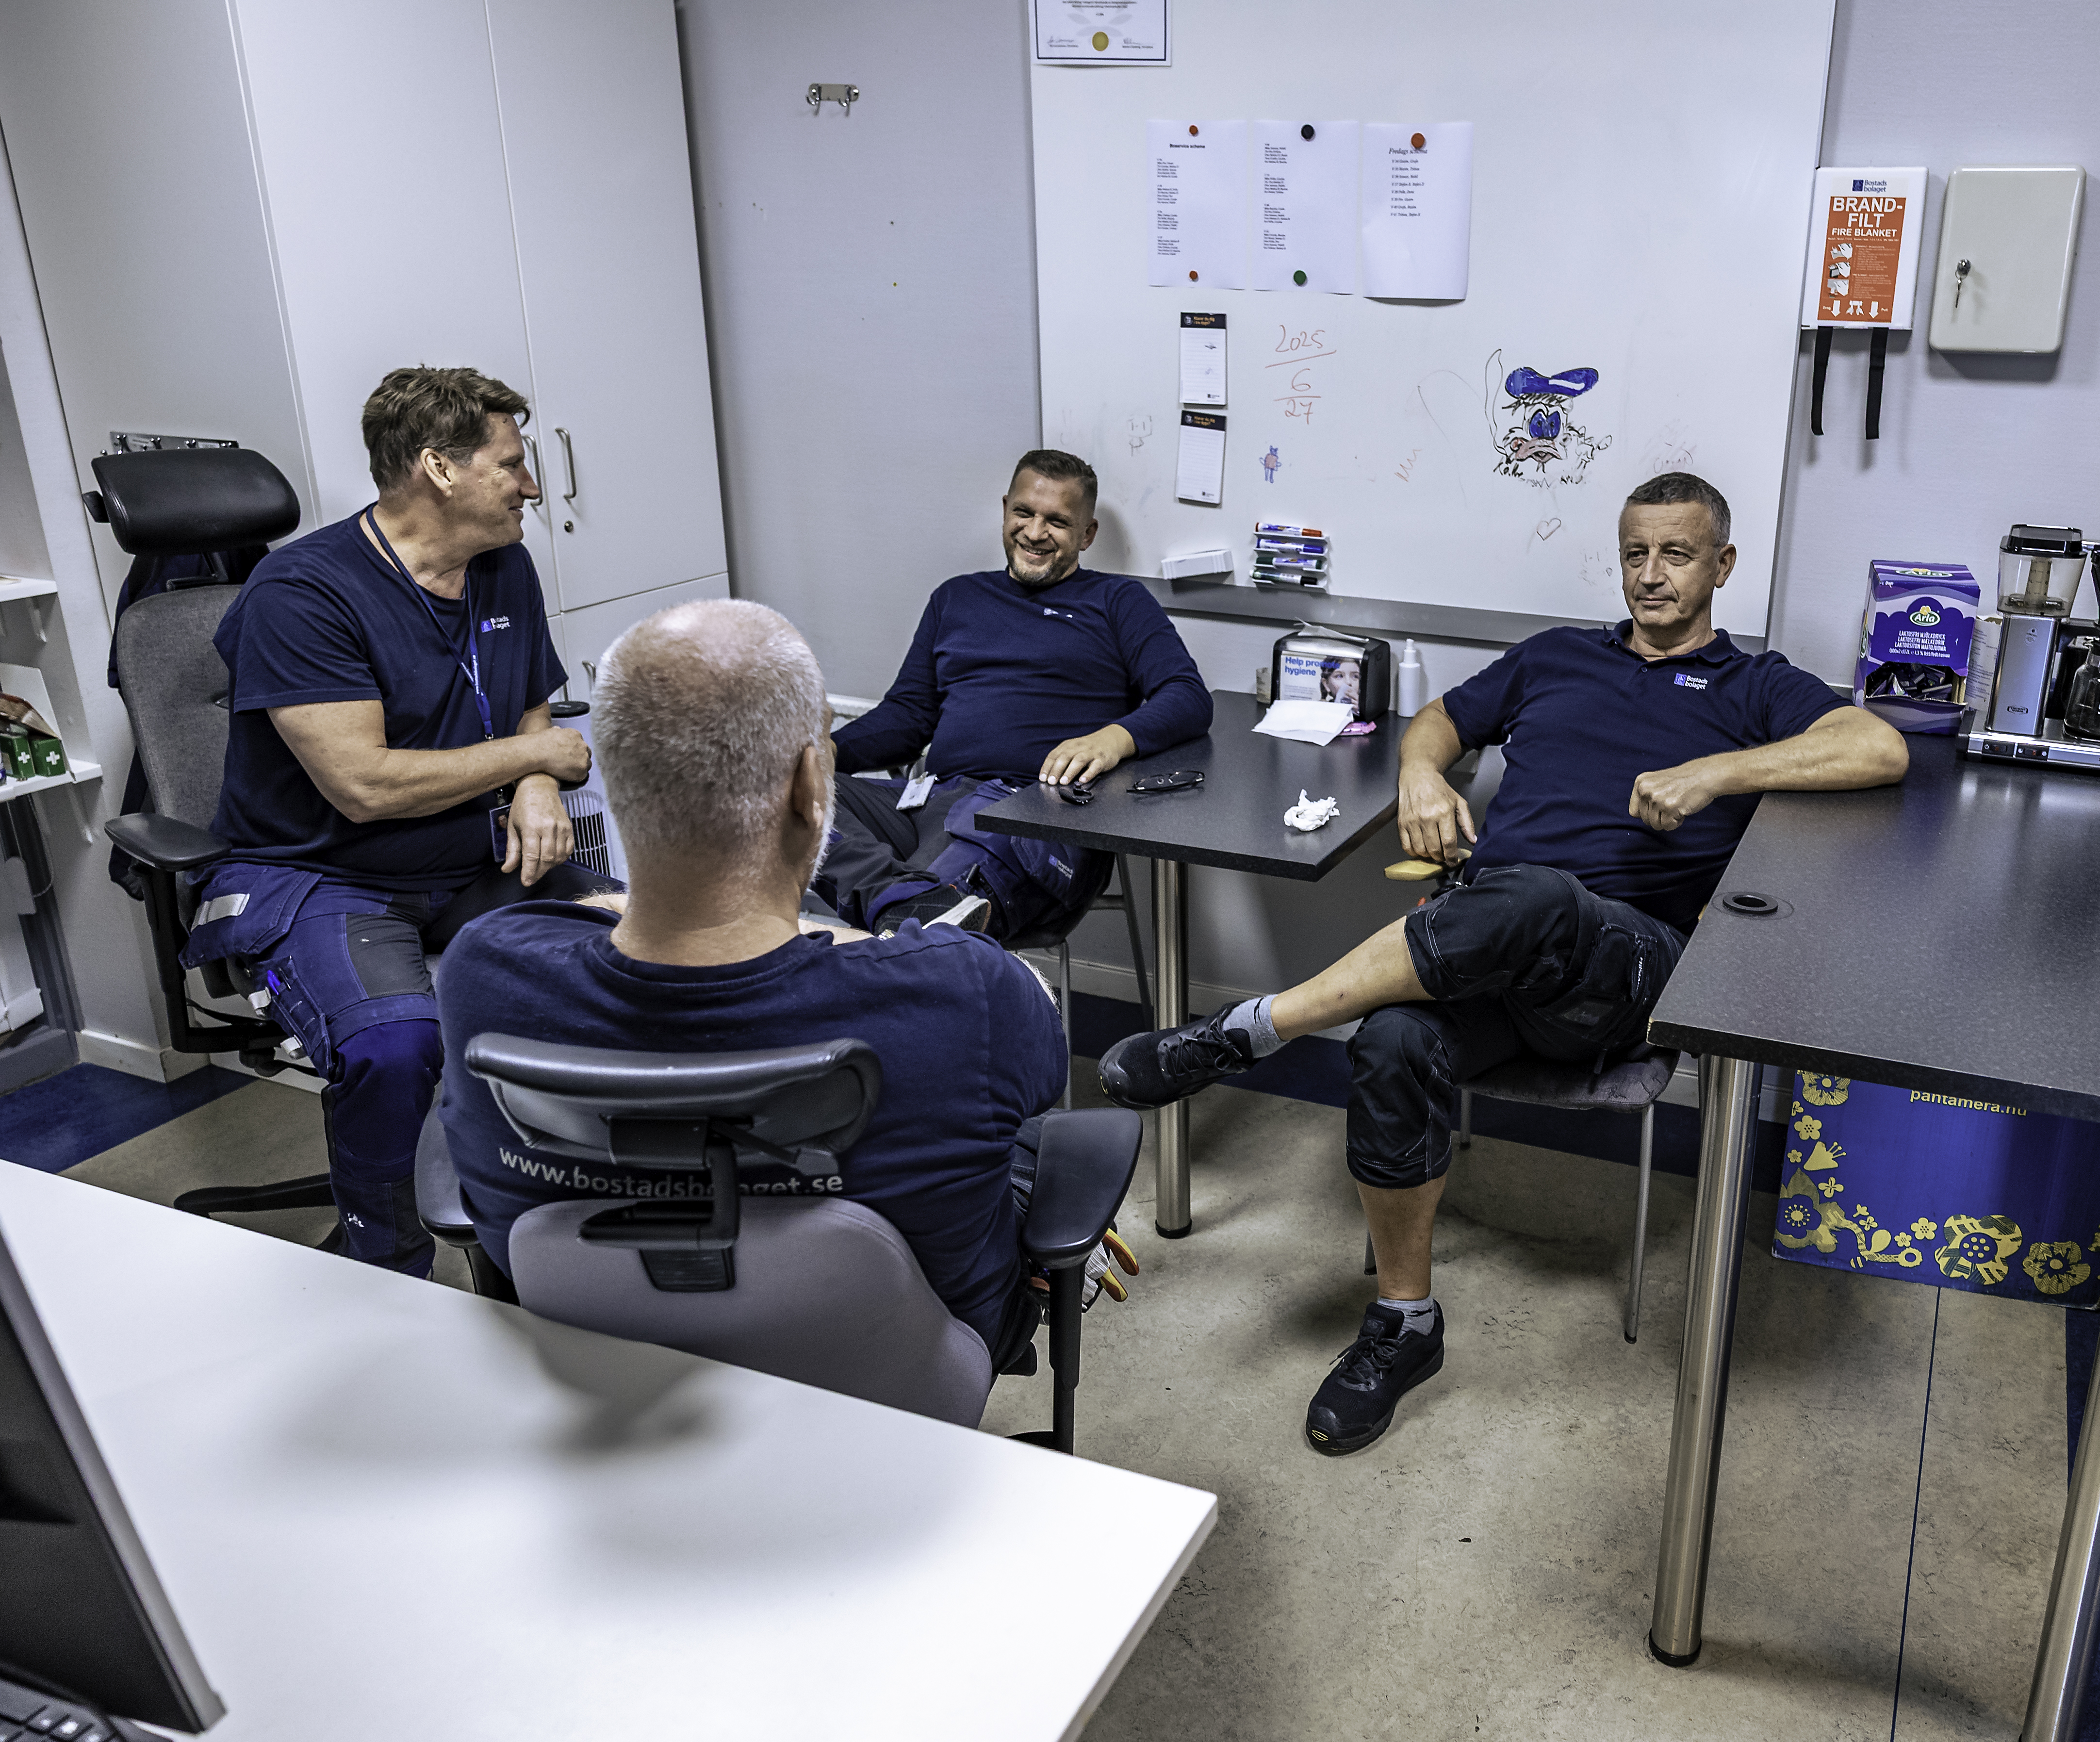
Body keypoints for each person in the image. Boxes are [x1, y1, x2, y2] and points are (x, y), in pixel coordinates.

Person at [1098, 473, 1907, 1455]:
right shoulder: (1557, 657)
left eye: (1678, 555)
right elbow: (1440, 720)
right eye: (1636, 554)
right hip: (1488, 947)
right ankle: (1405, 1325)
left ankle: (1252, 1029)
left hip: (1624, 970)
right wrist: (1418, 773)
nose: (1651, 576)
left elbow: (1877, 747)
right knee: (1395, 1039)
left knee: (1537, 897)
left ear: (1723, 566)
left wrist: (1716, 772)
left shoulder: (1756, 685)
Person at [435, 600, 1135, 1356]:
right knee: (1014, 1133)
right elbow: (1040, 1034)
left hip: (603, 1353)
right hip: (898, 1377)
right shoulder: (960, 991)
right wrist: (842, 935)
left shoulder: (485, 972)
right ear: (812, 788)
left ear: (615, 779)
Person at [183, 366, 607, 1276]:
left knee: (634, 951)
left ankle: (542, 1229)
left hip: (466, 856)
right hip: (325, 872)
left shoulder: (503, 564)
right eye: (512, 464)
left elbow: (533, 700)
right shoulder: (302, 592)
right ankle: (386, 1262)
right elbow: (363, 786)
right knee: (394, 1041)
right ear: (439, 470)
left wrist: (534, 779)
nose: (532, 485)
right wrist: (534, 761)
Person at [818, 449, 1212, 942]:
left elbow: (1188, 696)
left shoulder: (1118, 602)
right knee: (779, 790)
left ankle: (909, 916)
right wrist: (828, 751)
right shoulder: (956, 598)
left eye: (1058, 521)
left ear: (1087, 535)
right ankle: (900, 904)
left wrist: (1114, 739)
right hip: (930, 799)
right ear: (1006, 510)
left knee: (939, 911)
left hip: (1033, 810)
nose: (1034, 532)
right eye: (1023, 513)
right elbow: (909, 715)